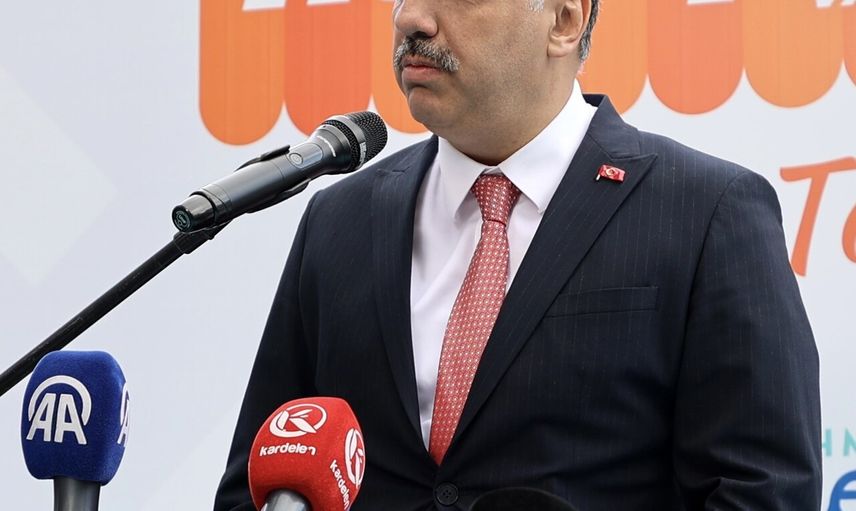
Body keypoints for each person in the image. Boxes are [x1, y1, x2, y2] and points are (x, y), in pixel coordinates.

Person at [214, 0, 822, 509]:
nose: (412, 19)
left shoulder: (707, 210)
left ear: (563, 20)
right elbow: (256, 486)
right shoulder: (339, 218)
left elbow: (762, 492)